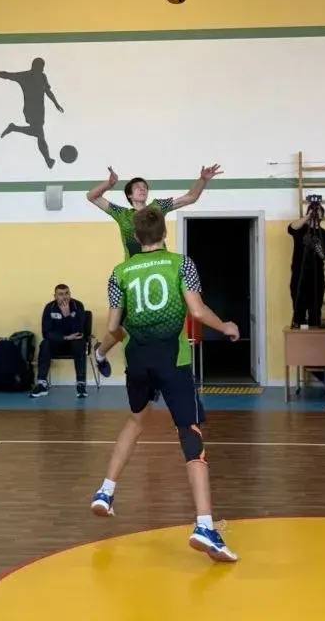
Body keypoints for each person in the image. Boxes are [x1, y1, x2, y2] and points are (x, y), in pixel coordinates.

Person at [88, 206, 242, 562]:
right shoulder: (181, 264)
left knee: (136, 420)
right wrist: (226, 326)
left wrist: (107, 347)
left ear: (135, 237)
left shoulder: (120, 272)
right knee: (189, 432)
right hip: (173, 361)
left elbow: (113, 327)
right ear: (164, 234)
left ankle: (106, 490)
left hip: (138, 361)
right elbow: (198, 311)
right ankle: (204, 525)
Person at [87, 163, 223, 258]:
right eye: (137, 187)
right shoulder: (121, 214)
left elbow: (190, 198)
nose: (142, 189)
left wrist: (202, 180)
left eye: (145, 187)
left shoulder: (158, 206)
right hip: (134, 269)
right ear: (129, 195)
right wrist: (109, 184)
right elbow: (92, 196)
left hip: (160, 265)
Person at [0, 58, 64, 169]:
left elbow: (48, 91)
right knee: (39, 133)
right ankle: (47, 159)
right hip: (31, 110)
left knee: (38, 134)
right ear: (34, 66)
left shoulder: (42, 77)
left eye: (42, 67)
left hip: (40, 110)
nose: (42, 69)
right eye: (40, 67)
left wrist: (56, 103)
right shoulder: (25, 76)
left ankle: (14, 128)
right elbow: (7, 75)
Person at [31, 283, 88, 399]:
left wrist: (67, 314)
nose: (64, 297)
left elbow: (79, 330)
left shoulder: (78, 305)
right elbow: (46, 333)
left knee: (79, 343)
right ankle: (42, 384)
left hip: (73, 344)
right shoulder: (49, 307)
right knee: (45, 344)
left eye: (67, 293)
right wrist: (65, 337)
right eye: (61, 294)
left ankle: (81, 384)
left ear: (70, 294)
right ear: (55, 296)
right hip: (57, 344)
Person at [288, 198, 325, 328]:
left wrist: (317, 246)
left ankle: (314, 334)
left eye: (317, 212)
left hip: (316, 278)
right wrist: (308, 216)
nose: (315, 213)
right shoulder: (300, 230)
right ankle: (299, 332)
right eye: (313, 211)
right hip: (299, 276)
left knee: (315, 311)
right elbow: (290, 228)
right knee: (298, 311)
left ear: (322, 215)